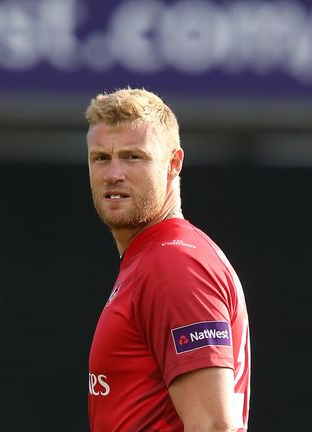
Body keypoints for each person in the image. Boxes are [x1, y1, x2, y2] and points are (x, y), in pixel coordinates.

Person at [85, 88, 251, 432]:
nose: (113, 173)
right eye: (101, 158)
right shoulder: (152, 259)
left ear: (174, 164)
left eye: (133, 157)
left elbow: (214, 426)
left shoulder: (174, 263)